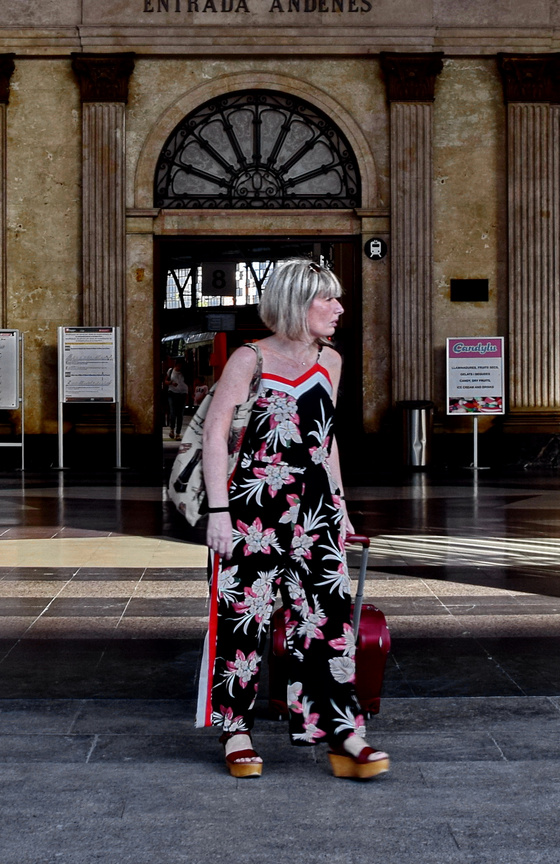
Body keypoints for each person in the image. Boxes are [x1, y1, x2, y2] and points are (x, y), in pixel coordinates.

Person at [200, 257, 388, 781]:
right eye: (327, 299)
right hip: (253, 509)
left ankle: (341, 731)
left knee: (327, 620)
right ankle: (235, 728)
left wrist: (343, 508)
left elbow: (325, 442)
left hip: (317, 512)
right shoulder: (250, 359)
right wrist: (218, 513)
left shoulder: (331, 361)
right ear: (296, 303)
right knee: (245, 619)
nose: (338, 308)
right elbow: (216, 435)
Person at [164, 362, 189, 438]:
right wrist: (171, 383)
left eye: (181, 366)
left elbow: (189, 383)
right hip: (172, 393)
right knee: (172, 412)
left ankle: (178, 433)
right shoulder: (170, 371)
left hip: (182, 393)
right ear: (175, 365)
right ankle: (172, 430)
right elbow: (165, 381)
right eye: (178, 366)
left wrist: (188, 395)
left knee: (180, 414)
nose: (179, 367)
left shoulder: (185, 372)